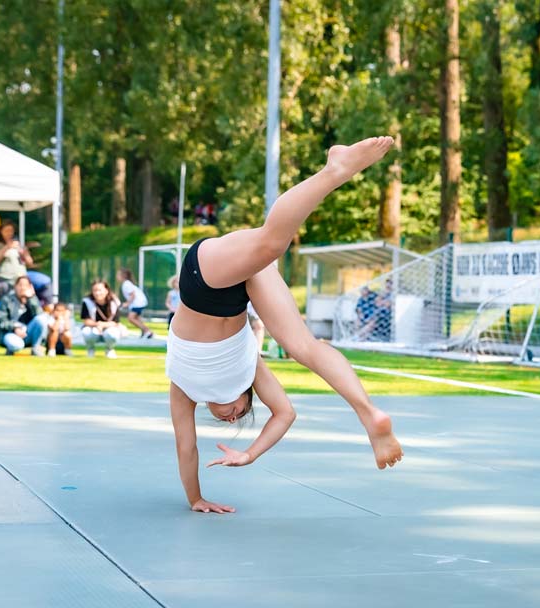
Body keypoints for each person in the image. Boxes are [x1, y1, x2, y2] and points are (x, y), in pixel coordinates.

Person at [167, 137, 402, 515]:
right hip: (231, 289)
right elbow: (285, 413)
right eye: (242, 412)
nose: (232, 415)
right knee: (302, 343)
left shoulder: (184, 389)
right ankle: (369, 413)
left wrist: (195, 498)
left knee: (271, 249)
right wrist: (251, 453)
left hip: (201, 284)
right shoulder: (249, 368)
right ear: (248, 395)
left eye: (232, 415)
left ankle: (335, 170)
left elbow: (186, 447)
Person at [0, 275, 48, 356]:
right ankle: (11, 348)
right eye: (20, 285)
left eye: (25, 285)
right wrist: (15, 328)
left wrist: (31, 298)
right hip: (11, 333)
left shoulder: (33, 299)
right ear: (15, 286)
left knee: (42, 319)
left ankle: (36, 348)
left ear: (30, 287)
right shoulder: (6, 300)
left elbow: (40, 317)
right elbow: (1, 320)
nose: (22, 288)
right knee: (16, 345)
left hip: (28, 333)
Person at [80, 279, 123, 358]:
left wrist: (102, 325)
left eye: (100, 290)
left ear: (106, 291)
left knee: (112, 334)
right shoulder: (87, 301)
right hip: (93, 328)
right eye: (95, 290)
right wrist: (97, 324)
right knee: (86, 332)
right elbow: (86, 321)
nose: (97, 293)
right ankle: (90, 349)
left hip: (109, 328)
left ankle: (109, 349)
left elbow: (116, 322)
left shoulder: (114, 302)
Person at [0, 219, 34, 296]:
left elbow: (30, 263)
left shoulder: (18, 244)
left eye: (11, 231)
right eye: (6, 231)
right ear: (1, 232)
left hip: (22, 282)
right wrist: (7, 247)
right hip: (6, 280)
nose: (9, 233)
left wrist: (24, 254)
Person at [117, 268, 154, 339]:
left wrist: (126, 304)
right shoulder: (126, 283)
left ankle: (148, 331)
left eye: (118, 275)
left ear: (123, 276)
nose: (117, 277)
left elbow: (133, 295)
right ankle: (145, 332)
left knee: (131, 318)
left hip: (138, 303)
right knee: (137, 318)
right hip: (139, 303)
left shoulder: (126, 284)